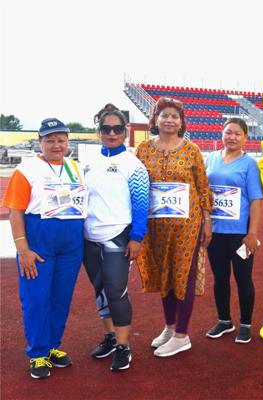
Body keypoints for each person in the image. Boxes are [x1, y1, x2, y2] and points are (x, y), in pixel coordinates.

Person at [3, 118, 86, 379]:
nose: (56, 145)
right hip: (39, 242)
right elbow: (15, 211)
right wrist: (23, 249)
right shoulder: (27, 170)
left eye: (61, 140)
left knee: (61, 298)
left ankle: (52, 346)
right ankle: (37, 352)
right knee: (37, 298)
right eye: (50, 140)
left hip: (71, 245)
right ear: (40, 142)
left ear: (68, 142)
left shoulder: (76, 168)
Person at [135, 97, 213, 357]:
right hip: (155, 226)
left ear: (182, 122)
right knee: (164, 275)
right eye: (165, 115)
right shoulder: (144, 149)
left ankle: (182, 334)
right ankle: (169, 327)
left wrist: (207, 222)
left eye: (175, 116)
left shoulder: (191, 150)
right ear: (156, 120)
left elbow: (203, 187)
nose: (169, 120)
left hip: (187, 226)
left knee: (183, 276)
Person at [82, 104, 150, 370]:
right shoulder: (87, 162)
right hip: (89, 238)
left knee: (116, 291)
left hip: (118, 236)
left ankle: (124, 346)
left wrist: (137, 237)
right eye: (106, 128)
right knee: (99, 289)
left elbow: (142, 204)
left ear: (126, 131)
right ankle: (110, 336)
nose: (111, 133)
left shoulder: (133, 165)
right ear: (98, 131)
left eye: (117, 129)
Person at [204, 117, 263, 343]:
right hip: (216, 232)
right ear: (222, 134)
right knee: (220, 278)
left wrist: (253, 233)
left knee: (243, 279)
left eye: (237, 134)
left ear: (246, 139)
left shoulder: (249, 164)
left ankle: (246, 324)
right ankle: (225, 321)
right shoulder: (210, 158)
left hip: (240, 234)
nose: (232, 137)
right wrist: (206, 222)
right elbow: (204, 193)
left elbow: (256, 200)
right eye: (228, 132)